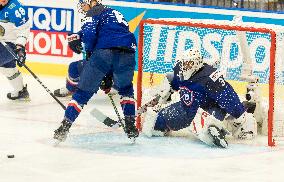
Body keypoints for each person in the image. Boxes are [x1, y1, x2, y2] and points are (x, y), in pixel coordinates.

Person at [53, 0, 139, 142]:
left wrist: (92, 56)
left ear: (91, 2)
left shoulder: (94, 11)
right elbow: (115, 37)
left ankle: (64, 127)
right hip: (128, 52)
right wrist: (109, 73)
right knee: (126, 90)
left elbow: (90, 33)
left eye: (83, 3)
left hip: (104, 53)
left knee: (82, 94)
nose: (82, 7)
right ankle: (130, 126)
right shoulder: (114, 13)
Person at [142, 48, 257, 148]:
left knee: (205, 127)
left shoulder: (210, 77)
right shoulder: (179, 69)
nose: (185, 66)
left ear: (197, 63)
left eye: (189, 63)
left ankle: (218, 128)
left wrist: (239, 115)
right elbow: (175, 80)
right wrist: (168, 88)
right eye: (184, 63)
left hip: (209, 108)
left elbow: (228, 97)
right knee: (154, 123)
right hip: (185, 108)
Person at [0, 0, 30, 100]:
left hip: (10, 44)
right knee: (7, 68)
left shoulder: (16, 8)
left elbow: (23, 30)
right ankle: (20, 91)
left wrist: (20, 48)